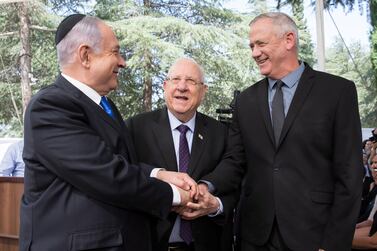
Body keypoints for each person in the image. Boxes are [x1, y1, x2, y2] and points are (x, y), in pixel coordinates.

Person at [20, 14, 196, 251]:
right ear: (85, 55)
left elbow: (113, 160)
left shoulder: (104, 105)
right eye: (115, 52)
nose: (123, 62)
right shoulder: (51, 105)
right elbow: (105, 173)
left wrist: (159, 174)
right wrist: (174, 195)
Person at [200, 12, 363, 251]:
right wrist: (207, 186)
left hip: (314, 237)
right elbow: (236, 161)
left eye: (261, 44)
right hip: (255, 237)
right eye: (252, 46)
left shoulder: (337, 92)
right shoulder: (246, 101)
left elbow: (350, 175)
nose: (255, 53)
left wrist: (333, 243)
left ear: (289, 40)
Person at [126, 58, 236, 251]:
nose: (182, 87)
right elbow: (122, 172)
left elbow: (235, 184)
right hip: (150, 244)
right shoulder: (135, 128)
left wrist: (215, 204)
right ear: (165, 86)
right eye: (176, 79)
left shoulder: (222, 133)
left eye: (191, 81)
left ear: (204, 91)